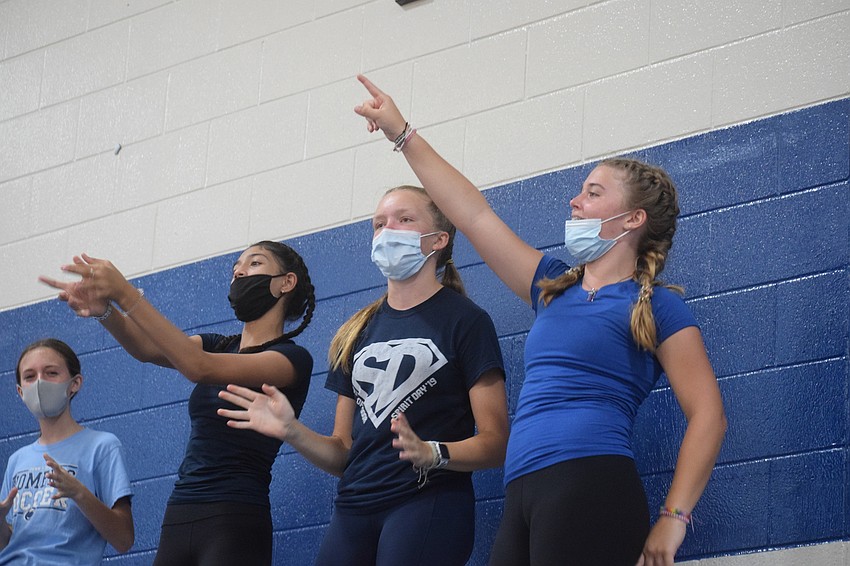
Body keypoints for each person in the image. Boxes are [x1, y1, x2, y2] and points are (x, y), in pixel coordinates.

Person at [353, 75, 728, 566]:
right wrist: (403, 134)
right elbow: (473, 215)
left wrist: (673, 519)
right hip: (523, 491)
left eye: (593, 193)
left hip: (591, 482)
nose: (576, 201)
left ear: (633, 219)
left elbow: (709, 416)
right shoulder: (553, 286)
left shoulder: (658, 305)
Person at [218, 185, 509, 566]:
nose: (387, 230)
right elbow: (343, 453)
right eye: (378, 224)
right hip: (354, 508)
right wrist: (293, 431)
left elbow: (497, 442)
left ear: (438, 240)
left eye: (404, 220)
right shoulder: (357, 331)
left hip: (426, 501)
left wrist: (433, 453)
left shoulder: (467, 321)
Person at [39, 240, 316, 566]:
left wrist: (126, 293)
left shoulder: (291, 358)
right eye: (236, 267)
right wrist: (105, 310)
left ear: (286, 282)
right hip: (181, 511)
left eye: (254, 264)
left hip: (235, 516)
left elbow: (198, 367)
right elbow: (145, 348)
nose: (239, 271)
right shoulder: (217, 344)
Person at [1, 338, 134, 565]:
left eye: (51, 373)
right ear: (21, 391)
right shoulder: (17, 460)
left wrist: (79, 493)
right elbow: (9, 542)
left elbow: (124, 539)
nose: (40, 383)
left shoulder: (101, 447)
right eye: (30, 377)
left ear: (75, 383)